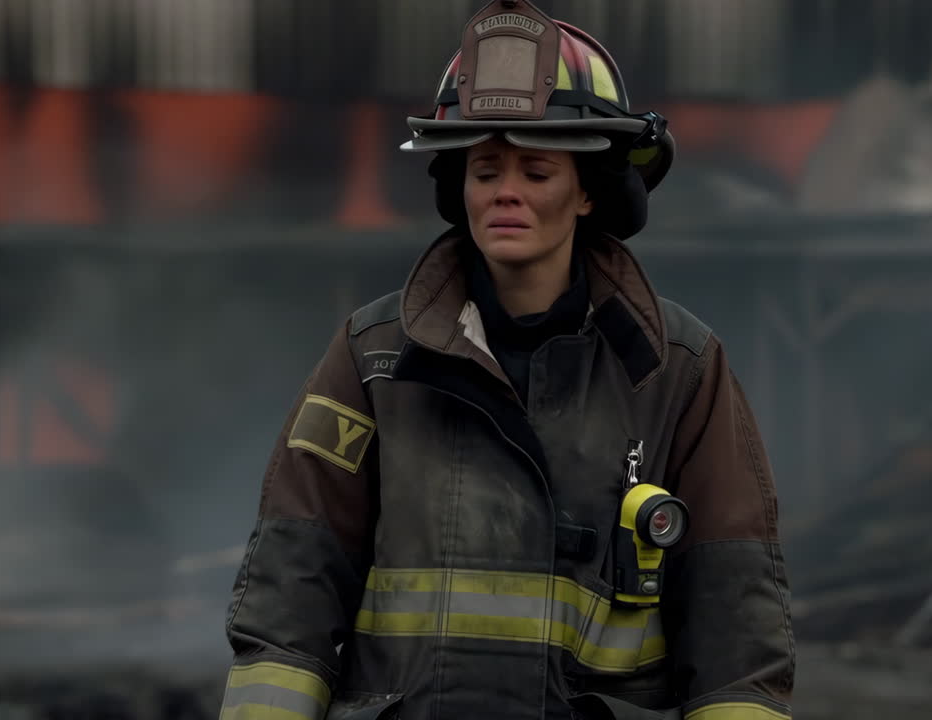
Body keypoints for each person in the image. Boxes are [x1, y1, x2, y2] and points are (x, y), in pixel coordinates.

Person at [217, 2, 795, 719]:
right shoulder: (374, 361)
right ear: (457, 188)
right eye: (485, 169)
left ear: (589, 191)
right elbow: (290, 592)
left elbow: (735, 628)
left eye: (537, 169)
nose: (507, 192)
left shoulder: (675, 371)